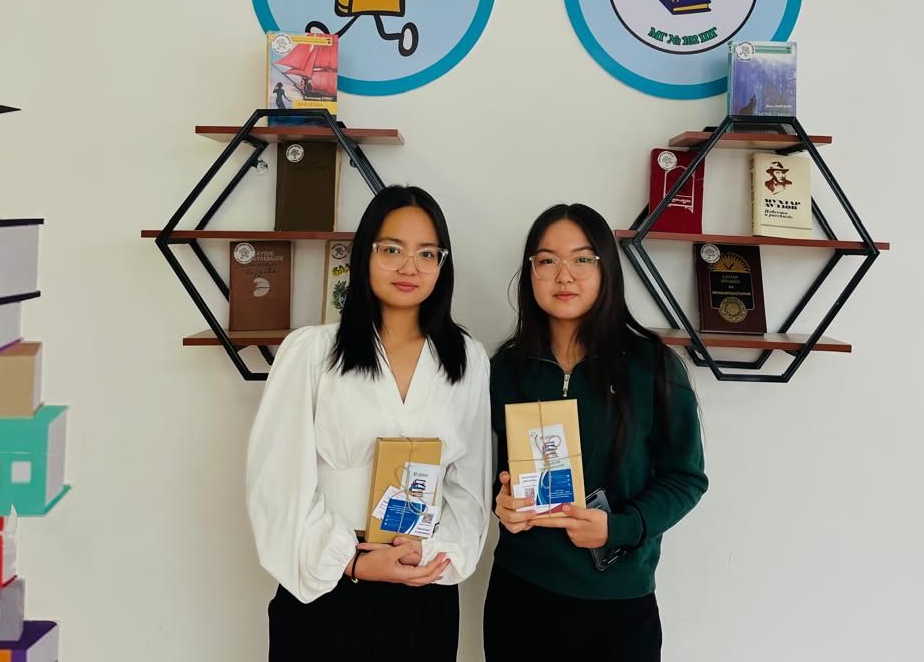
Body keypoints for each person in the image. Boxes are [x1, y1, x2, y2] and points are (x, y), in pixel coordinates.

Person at [246, 185, 491, 662]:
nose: (409, 267)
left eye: (427, 253)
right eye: (392, 250)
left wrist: (434, 553)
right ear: (365, 255)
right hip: (328, 585)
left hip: (422, 585)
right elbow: (277, 480)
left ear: (443, 264)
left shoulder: (467, 359)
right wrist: (350, 561)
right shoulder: (313, 351)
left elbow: (470, 484)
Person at [486, 203, 708, 661]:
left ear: (607, 269)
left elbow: (686, 477)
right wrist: (500, 501)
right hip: (520, 594)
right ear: (530, 272)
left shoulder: (652, 365)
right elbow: (492, 468)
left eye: (582, 259)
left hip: (617, 605)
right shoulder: (506, 368)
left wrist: (620, 528)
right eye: (547, 260)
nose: (564, 275)